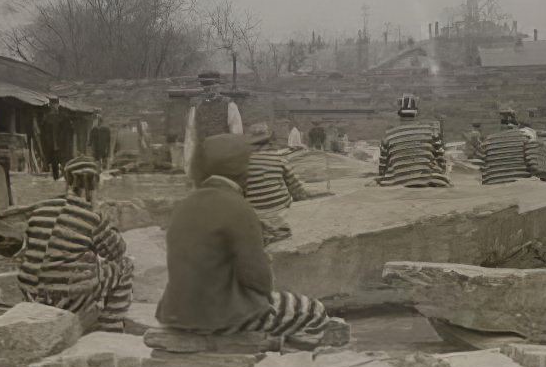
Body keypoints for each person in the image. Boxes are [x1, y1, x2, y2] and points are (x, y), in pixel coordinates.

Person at [157, 134, 330, 340]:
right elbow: (259, 281)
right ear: (240, 170)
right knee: (313, 310)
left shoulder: (184, 205)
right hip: (219, 316)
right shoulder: (237, 207)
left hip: (176, 311)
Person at [17, 156, 133, 331]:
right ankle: (111, 331)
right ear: (96, 184)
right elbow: (117, 251)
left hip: (32, 295)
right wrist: (101, 217)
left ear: (67, 181)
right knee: (125, 265)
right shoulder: (90, 215)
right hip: (67, 298)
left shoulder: (40, 210)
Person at [244, 124, 311, 245]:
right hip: (278, 209)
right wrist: (302, 197)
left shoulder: (242, 161)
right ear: (268, 142)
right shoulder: (278, 158)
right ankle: (275, 228)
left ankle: (262, 229)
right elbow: (295, 186)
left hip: (252, 211)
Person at [377, 94, 450, 188]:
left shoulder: (389, 134)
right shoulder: (430, 131)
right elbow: (441, 159)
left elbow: (383, 164)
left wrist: (381, 177)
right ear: (416, 113)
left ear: (400, 114)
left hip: (397, 181)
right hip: (429, 179)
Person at [183, 73, 243, 179]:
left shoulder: (229, 105)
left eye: (212, 85)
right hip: (202, 156)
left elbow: (236, 136)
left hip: (223, 156)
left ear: (218, 85)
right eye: (205, 85)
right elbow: (190, 137)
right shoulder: (196, 105)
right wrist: (189, 165)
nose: (209, 89)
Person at [40, 97, 72, 181]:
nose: (54, 106)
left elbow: (69, 131)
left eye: (56, 104)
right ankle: (56, 178)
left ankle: (66, 178)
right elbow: (43, 132)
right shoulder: (47, 118)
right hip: (51, 144)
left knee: (64, 161)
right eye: (52, 105)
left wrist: (67, 142)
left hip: (61, 143)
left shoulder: (63, 117)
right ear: (50, 106)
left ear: (58, 105)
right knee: (54, 162)